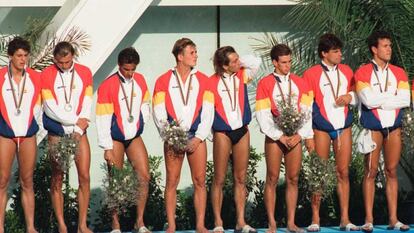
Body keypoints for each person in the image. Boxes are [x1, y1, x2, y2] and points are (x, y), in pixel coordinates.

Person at [152, 38, 214, 233]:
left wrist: (199, 137)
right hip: (173, 137)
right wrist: (170, 135)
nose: (196, 56)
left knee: (199, 181)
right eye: (192, 53)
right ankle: (171, 224)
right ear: (180, 56)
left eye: (196, 52)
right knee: (172, 181)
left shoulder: (204, 80)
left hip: (196, 135)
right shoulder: (163, 80)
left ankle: (200, 224)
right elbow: (158, 112)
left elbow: (208, 111)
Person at [355, 31, 410, 232]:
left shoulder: (399, 72)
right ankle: (369, 219)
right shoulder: (362, 72)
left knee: (391, 171)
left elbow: (405, 100)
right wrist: (390, 96)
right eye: (385, 46)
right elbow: (367, 101)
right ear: (374, 49)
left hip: (393, 127)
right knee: (370, 172)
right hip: (373, 127)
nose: (389, 49)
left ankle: (393, 219)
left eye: (390, 46)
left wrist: (380, 97)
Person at [303, 34, 359, 232]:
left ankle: (345, 218)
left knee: (343, 172)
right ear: (324, 53)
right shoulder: (311, 74)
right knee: (319, 174)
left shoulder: (346, 70)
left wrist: (349, 97)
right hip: (321, 128)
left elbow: (357, 93)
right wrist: (307, 135)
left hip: (343, 126)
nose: (340, 54)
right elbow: (305, 106)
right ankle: (315, 218)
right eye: (335, 51)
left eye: (340, 50)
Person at [256, 44, 313, 233]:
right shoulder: (265, 83)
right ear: (274, 63)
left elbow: (307, 112)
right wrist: (279, 136)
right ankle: (272, 223)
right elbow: (263, 115)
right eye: (283, 62)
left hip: (295, 135)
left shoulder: (301, 82)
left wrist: (299, 135)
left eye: (289, 61)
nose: (288, 65)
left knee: (293, 179)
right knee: (272, 178)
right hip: (275, 136)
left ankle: (291, 222)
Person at [96, 47, 151, 233]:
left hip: (134, 135)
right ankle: (115, 224)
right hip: (115, 137)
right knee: (116, 181)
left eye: (132, 69)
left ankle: (140, 222)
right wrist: (106, 147)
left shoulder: (140, 80)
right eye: (126, 69)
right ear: (119, 66)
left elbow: (145, 103)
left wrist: (142, 120)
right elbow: (102, 117)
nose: (129, 73)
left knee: (144, 176)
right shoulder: (108, 85)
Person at [41, 41, 93, 233]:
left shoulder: (85, 72)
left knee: (85, 176)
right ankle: (62, 225)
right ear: (55, 59)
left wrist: (79, 130)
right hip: (58, 130)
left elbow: (87, 102)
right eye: (61, 62)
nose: (65, 65)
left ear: (73, 57)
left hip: (80, 131)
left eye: (68, 61)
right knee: (57, 177)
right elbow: (49, 107)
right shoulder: (46, 74)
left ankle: (82, 225)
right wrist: (73, 123)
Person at [209, 46, 260, 233]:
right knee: (220, 179)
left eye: (239, 60)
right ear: (223, 65)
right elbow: (206, 110)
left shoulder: (242, 75)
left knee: (240, 178)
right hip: (222, 131)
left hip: (242, 130)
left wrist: (237, 59)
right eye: (234, 61)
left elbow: (256, 62)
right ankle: (218, 222)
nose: (239, 63)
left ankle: (240, 221)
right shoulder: (210, 82)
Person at [0, 37, 41, 233]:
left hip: (27, 134)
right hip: (5, 133)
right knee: (2, 180)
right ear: (10, 56)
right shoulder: (0, 77)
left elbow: (40, 106)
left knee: (27, 180)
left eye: (26, 55)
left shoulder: (35, 77)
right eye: (19, 56)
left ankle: (30, 227)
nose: (23, 59)